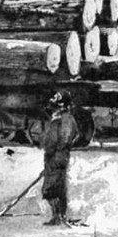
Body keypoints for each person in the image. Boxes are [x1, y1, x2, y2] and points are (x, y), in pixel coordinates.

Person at [40, 89, 79, 226]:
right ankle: (58, 216)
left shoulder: (66, 119)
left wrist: (58, 152)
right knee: (57, 187)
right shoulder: (59, 117)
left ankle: (59, 217)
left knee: (50, 188)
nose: (52, 101)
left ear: (62, 105)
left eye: (56, 99)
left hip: (57, 157)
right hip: (54, 157)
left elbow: (67, 136)